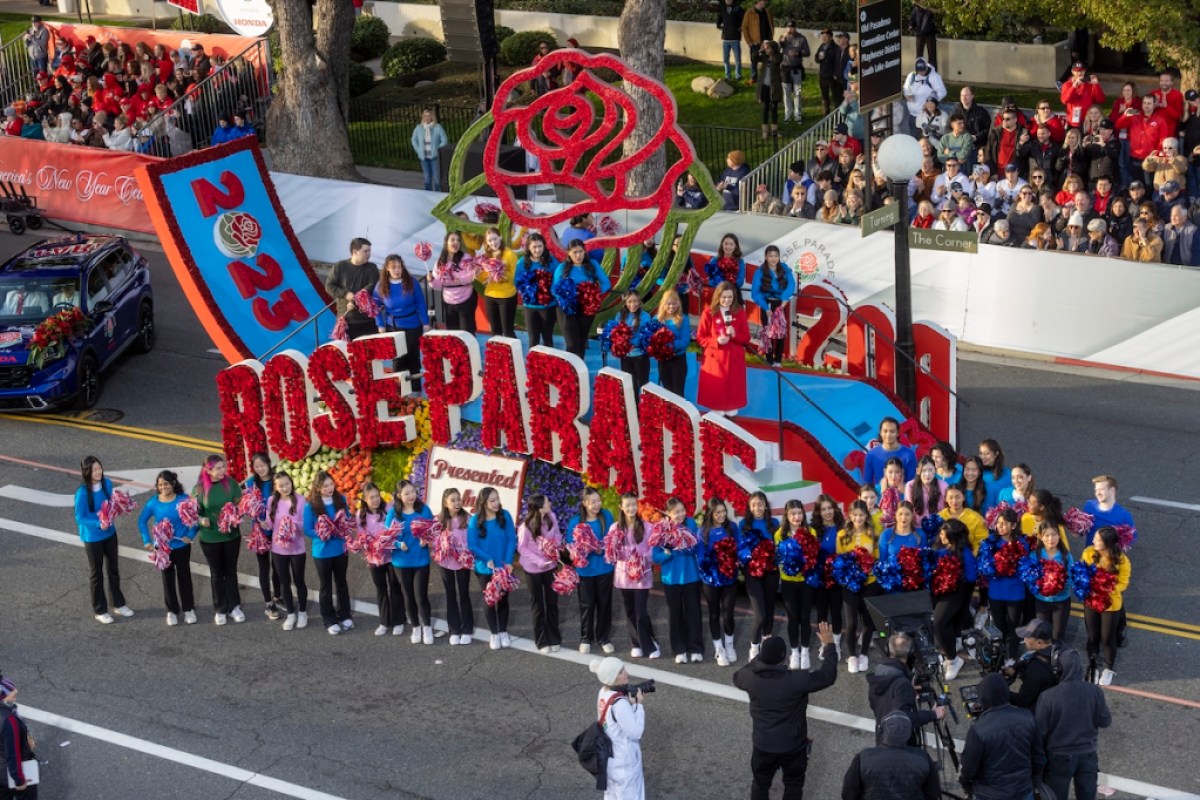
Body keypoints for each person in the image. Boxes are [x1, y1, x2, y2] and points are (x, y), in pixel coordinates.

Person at [734, 625, 837, 800]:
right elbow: (828, 675)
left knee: (760, 785)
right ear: (784, 659)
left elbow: (739, 674)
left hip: (763, 745)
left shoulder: (749, 678)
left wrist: (762, 656)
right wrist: (829, 646)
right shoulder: (798, 680)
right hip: (793, 747)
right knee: (794, 785)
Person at [1036, 648, 1112, 800]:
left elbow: (1039, 732)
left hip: (1059, 758)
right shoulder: (1094, 692)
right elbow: (1105, 721)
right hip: (1088, 756)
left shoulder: (1048, 696)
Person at [959, 673, 1045, 800]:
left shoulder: (979, 729)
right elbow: (1038, 757)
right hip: (1023, 790)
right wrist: (1034, 781)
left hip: (990, 794)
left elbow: (969, 768)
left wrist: (965, 784)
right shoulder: (1028, 717)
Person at [73, 456, 133, 626]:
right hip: (93, 538)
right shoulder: (82, 493)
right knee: (96, 574)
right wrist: (99, 524)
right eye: (94, 470)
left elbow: (111, 505)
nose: (98, 472)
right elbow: (80, 518)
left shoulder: (107, 484)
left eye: (99, 468)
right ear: (87, 472)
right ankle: (100, 610)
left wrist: (121, 506)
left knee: (113, 569)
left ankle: (118, 604)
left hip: (110, 534)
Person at [137, 470, 199, 627]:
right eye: (160, 484)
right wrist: (147, 541)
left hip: (182, 546)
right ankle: (171, 611)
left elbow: (195, 520)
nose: (163, 487)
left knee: (184, 577)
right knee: (168, 579)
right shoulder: (153, 503)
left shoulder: (184, 500)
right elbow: (141, 521)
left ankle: (188, 609)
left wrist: (190, 536)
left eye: (166, 483)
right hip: (163, 548)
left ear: (173, 484)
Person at [193, 455, 244, 625]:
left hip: (231, 536)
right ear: (208, 470)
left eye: (224, 467)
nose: (223, 471)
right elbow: (192, 512)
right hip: (210, 538)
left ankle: (234, 606)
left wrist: (235, 514)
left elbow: (241, 505)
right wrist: (202, 520)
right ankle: (220, 608)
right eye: (218, 468)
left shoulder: (231, 484)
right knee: (216, 573)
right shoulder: (199, 489)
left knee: (230, 571)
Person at [842, 712, 940, 800]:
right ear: (908, 733)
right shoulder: (923, 758)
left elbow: (848, 794)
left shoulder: (863, 758)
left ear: (882, 730)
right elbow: (932, 793)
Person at [867, 632, 944, 745]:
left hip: (883, 734)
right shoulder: (902, 684)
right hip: (901, 743)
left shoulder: (879, 671)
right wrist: (933, 714)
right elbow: (905, 719)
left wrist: (907, 690)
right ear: (911, 653)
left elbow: (880, 701)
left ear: (888, 649)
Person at [607, 493, 658, 658]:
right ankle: (636, 643)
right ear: (621, 507)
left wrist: (642, 558)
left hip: (642, 576)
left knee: (641, 612)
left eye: (634, 504)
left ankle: (649, 646)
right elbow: (610, 552)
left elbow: (652, 548)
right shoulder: (615, 528)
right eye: (627, 505)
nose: (631, 508)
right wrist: (621, 553)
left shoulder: (647, 526)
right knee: (630, 611)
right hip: (624, 577)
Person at [653, 497, 704, 664]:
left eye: (682, 510)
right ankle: (679, 649)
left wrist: (685, 545)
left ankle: (696, 648)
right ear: (668, 513)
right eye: (676, 512)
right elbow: (654, 555)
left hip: (691, 576)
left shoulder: (691, 524)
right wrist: (666, 554)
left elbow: (696, 547)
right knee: (675, 615)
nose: (681, 514)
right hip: (671, 578)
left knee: (694, 613)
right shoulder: (661, 528)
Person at [304, 471, 354, 635]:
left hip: (340, 550)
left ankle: (345, 615)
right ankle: (329, 619)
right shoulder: (310, 506)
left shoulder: (341, 500)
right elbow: (307, 529)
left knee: (342, 583)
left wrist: (343, 527)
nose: (329, 488)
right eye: (325, 486)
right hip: (322, 552)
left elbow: (347, 519)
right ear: (318, 488)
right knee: (325, 586)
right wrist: (323, 532)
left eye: (331, 484)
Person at [386, 479, 435, 645]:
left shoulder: (424, 510)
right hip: (401, 562)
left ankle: (427, 627)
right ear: (399, 496)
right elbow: (386, 538)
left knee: (421, 596)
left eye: (413, 492)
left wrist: (426, 541)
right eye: (406, 493)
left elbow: (433, 531)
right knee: (408, 597)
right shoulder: (394, 514)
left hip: (421, 561)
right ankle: (415, 627)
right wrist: (399, 544)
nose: (411, 496)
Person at [589, 657, 646, 800]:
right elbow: (636, 732)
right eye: (621, 672)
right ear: (612, 677)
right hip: (624, 762)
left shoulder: (603, 692)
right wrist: (637, 705)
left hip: (609, 759)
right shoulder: (620, 704)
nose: (626, 673)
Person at [468, 487, 517, 650]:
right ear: (483, 503)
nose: (496, 503)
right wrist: (487, 559)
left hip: (503, 567)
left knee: (503, 599)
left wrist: (509, 561)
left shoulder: (505, 515)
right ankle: (494, 633)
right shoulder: (475, 520)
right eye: (492, 500)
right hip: (485, 568)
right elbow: (472, 544)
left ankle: (503, 630)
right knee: (489, 600)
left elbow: (511, 539)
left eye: (497, 499)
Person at [1081, 527, 1130, 686]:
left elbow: (1123, 583)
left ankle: (1108, 668)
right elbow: (1082, 572)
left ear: (1108, 543)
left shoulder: (1122, 560)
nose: (1093, 541)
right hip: (1091, 602)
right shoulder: (1088, 553)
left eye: (1097, 539)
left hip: (1111, 604)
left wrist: (1105, 587)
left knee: (1108, 638)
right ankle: (1093, 665)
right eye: (1094, 537)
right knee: (1093, 636)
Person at [373, 254, 429, 391]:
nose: (397, 270)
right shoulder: (380, 285)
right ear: (387, 268)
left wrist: (426, 322)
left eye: (399, 267)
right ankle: (400, 392)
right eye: (394, 267)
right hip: (393, 327)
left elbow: (420, 303)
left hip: (413, 325)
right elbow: (374, 306)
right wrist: (380, 324)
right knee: (398, 360)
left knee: (413, 358)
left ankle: (416, 391)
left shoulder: (412, 282)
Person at [837, 500, 880, 675]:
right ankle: (852, 656)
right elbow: (839, 560)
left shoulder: (873, 534)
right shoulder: (842, 535)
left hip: (870, 582)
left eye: (861, 515)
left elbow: (877, 559)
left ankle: (864, 654)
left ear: (866, 516)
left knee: (869, 622)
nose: (858, 518)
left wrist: (866, 565)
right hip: (850, 584)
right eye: (855, 514)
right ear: (850, 515)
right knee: (852, 622)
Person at [930, 519, 976, 680]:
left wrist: (963, 607)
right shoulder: (939, 549)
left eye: (945, 536)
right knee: (942, 624)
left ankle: (953, 660)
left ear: (954, 537)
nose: (942, 538)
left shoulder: (965, 555)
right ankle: (951, 654)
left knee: (939, 623)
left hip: (956, 593)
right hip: (939, 593)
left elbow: (970, 581)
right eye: (941, 534)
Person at [263, 471, 309, 630]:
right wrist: (263, 524)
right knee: (284, 582)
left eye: (287, 484)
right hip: (278, 550)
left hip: (297, 549)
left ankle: (302, 612)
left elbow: (305, 525)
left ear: (291, 482)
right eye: (281, 486)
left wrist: (292, 525)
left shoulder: (301, 500)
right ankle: (291, 613)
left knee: (299, 581)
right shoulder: (271, 501)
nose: (285, 488)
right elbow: (270, 523)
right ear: (275, 487)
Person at [517, 494, 563, 653]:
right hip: (533, 569)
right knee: (538, 605)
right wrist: (539, 560)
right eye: (546, 501)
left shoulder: (552, 517)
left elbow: (557, 534)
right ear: (539, 507)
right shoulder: (526, 526)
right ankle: (542, 640)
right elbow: (522, 548)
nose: (549, 502)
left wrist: (555, 546)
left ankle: (554, 637)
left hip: (550, 567)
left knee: (552, 602)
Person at [696, 281, 750, 416]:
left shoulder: (740, 312)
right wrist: (716, 341)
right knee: (717, 399)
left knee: (732, 404)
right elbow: (700, 337)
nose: (727, 300)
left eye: (730, 297)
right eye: (724, 297)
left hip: (734, 361)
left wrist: (735, 334)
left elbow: (746, 338)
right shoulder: (708, 312)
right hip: (715, 361)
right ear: (718, 297)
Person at [356, 482, 402, 637]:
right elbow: (361, 536)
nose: (375, 500)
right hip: (375, 559)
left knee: (395, 588)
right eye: (371, 497)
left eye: (377, 496)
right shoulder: (360, 515)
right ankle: (384, 621)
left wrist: (387, 540)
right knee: (381, 589)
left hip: (391, 556)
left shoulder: (388, 509)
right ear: (365, 499)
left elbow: (396, 529)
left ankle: (398, 620)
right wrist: (371, 545)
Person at [553, 238, 611, 358]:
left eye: (580, 251)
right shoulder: (562, 267)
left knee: (581, 341)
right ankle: (570, 371)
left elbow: (606, 283)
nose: (578, 255)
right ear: (568, 253)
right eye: (575, 252)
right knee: (572, 343)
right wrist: (568, 296)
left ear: (585, 251)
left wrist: (592, 294)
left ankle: (580, 370)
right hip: (567, 309)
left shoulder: (592, 264)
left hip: (586, 308)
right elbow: (554, 289)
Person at [242, 453, 282, 620]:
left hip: (279, 530)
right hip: (260, 532)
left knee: (278, 566)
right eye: (256, 467)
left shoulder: (278, 480)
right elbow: (247, 506)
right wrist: (260, 520)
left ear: (269, 464)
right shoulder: (250, 483)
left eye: (262, 465)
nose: (260, 469)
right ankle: (268, 603)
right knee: (264, 567)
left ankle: (278, 597)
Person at [435, 487, 474, 644]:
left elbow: (473, 540)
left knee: (464, 594)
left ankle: (467, 629)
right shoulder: (439, 520)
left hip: (463, 562)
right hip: (446, 562)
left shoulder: (468, 518)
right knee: (450, 595)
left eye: (458, 499)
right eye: (453, 500)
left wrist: (465, 552)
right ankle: (454, 630)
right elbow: (434, 540)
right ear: (445, 503)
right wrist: (441, 546)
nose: (457, 503)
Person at [326, 238, 380, 340]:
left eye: (369, 251)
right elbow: (329, 286)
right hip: (347, 319)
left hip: (366, 320)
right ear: (355, 252)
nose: (369, 254)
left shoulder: (372, 268)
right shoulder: (340, 266)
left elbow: (371, 287)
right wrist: (345, 294)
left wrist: (355, 300)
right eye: (365, 251)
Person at [750, 245, 795, 365]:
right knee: (768, 334)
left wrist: (784, 302)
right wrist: (765, 308)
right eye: (770, 256)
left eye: (776, 256)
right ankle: (769, 361)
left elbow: (791, 284)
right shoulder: (760, 272)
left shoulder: (784, 268)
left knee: (781, 333)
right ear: (766, 257)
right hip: (767, 304)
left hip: (781, 304)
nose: (773, 259)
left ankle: (778, 361)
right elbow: (755, 292)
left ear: (779, 257)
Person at [431, 231, 479, 335]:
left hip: (466, 299)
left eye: (458, 240)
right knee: (453, 333)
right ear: (446, 242)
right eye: (452, 240)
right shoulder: (440, 262)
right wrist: (431, 280)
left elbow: (472, 275)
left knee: (468, 332)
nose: (456, 242)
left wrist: (459, 280)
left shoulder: (466, 257)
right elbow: (438, 286)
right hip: (448, 301)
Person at [608, 290, 654, 397]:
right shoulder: (619, 316)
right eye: (630, 302)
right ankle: (633, 408)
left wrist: (630, 342)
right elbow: (615, 333)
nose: (633, 304)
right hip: (626, 357)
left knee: (643, 384)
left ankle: (644, 409)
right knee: (629, 384)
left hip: (640, 356)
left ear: (640, 302)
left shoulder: (646, 316)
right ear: (625, 302)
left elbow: (645, 336)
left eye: (635, 301)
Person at [514, 233, 557, 347]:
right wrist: (528, 291)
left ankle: (549, 363)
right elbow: (517, 282)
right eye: (534, 247)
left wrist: (548, 291)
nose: (537, 250)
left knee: (548, 338)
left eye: (540, 246)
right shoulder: (522, 262)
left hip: (548, 307)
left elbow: (558, 281)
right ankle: (533, 363)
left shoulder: (552, 261)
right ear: (528, 247)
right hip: (530, 307)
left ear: (544, 246)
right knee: (533, 339)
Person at [1005, 619, 1058, 710]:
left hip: (1039, 713)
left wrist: (1000, 692)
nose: (1024, 640)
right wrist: (1016, 667)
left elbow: (1022, 700)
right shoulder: (1057, 650)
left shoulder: (1035, 669)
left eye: (1028, 637)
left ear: (1039, 642)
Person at [479, 227, 518, 339]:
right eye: (490, 240)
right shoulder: (486, 256)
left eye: (495, 239)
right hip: (490, 296)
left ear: (500, 237)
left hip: (507, 297)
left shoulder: (510, 254)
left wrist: (501, 269)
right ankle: (497, 354)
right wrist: (477, 274)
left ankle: (513, 354)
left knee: (508, 332)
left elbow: (514, 279)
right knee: (495, 331)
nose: (493, 242)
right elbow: (484, 279)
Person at [1, 680, 37, 800]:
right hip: (8, 773)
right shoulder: (9, 720)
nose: (16, 691)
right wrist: (19, 780)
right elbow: (13, 754)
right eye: (11, 692)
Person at [654, 289, 690, 397]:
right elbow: (652, 339)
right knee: (667, 392)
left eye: (674, 303)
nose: (671, 307)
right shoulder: (657, 319)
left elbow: (685, 341)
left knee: (678, 392)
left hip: (678, 360)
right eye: (668, 304)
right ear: (663, 304)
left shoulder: (683, 319)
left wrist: (667, 345)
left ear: (678, 304)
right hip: (663, 361)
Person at [862, 417, 917, 487]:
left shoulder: (909, 454)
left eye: (892, 431)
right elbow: (867, 484)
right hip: (879, 496)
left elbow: (912, 484)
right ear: (880, 433)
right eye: (885, 431)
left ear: (897, 433)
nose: (888, 435)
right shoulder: (871, 455)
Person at [411, 108, 448, 192]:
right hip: (424, 157)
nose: (427, 118)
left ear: (432, 117)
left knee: (436, 177)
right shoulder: (419, 128)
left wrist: (437, 149)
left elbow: (444, 140)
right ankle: (428, 193)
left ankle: (438, 193)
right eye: (425, 116)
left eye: (429, 116)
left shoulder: (437, 127)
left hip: (434, 156)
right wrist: (418, 150)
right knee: (427, 177)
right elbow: (414, 140)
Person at [902, 58, 945, 130]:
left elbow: (942, 93)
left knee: (925, 138)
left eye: (923, 70)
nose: (921, 73)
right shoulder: (911, 76)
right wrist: (907, 95)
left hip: (925, 115)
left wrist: (931, 103)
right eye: (919, 71)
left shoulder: (934, 77)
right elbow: (906, 88)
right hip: (912, 114)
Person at [779, 20, 808, 123]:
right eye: (788, 27)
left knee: (797, 92)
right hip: (785, 68)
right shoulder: (783, 38)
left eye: (792, 27)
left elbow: (807, 52)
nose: (790, 29)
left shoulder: (802, 38)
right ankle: (788, 114)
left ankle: (797, 115)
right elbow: (778, 48)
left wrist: (798, 53)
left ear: (795, 28)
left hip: (796, 68)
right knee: (786, 93)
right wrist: (782, 39)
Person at [754, 40, 783, 138]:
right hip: (764, 87)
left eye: (769, 48)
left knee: (774, 108)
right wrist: (760, 50)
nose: (766, 49)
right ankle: (765, 130)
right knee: (765, 108)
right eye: (766, 48)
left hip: (774, 87)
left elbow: (776, 60)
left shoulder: (778, 56)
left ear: (773, 49)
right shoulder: (764, 57)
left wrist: (771, 53)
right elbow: (754, 58)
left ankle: (774, 130)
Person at [741, 0, 774, 84]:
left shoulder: (767, 12)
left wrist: (770, 39)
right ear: (758, 1)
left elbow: (771, 25)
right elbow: (744, 28)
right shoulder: (749, 12)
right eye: (764, 1)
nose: (765, 2)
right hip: (755, 42)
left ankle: (766, 78)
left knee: (767, 60)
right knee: (754, 60)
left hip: (766, 41)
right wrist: (749, 42)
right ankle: (753, 78)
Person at [716, 0, 745, 82]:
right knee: (725, 60)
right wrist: (723, 28)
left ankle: (738, 75)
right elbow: (718, 23)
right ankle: (728, 76)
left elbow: (744, 19)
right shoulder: (722, 9)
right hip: (725, 40)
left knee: (738, 60)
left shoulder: (738, 9)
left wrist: (741, 28)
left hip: (735, 39)